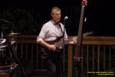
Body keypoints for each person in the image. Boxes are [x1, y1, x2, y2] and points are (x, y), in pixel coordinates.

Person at [37, 6, 68, 77]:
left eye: (59, 14)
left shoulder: (62, 26)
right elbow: (38, 40)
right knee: (52, 72)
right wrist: (49, 46)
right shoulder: (46, 25)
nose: (58, 16)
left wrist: (72, 41)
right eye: (56, 14)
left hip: (58, 54)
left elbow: (66, 39)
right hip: (48, 55)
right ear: (52, 15)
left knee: (60, 73)